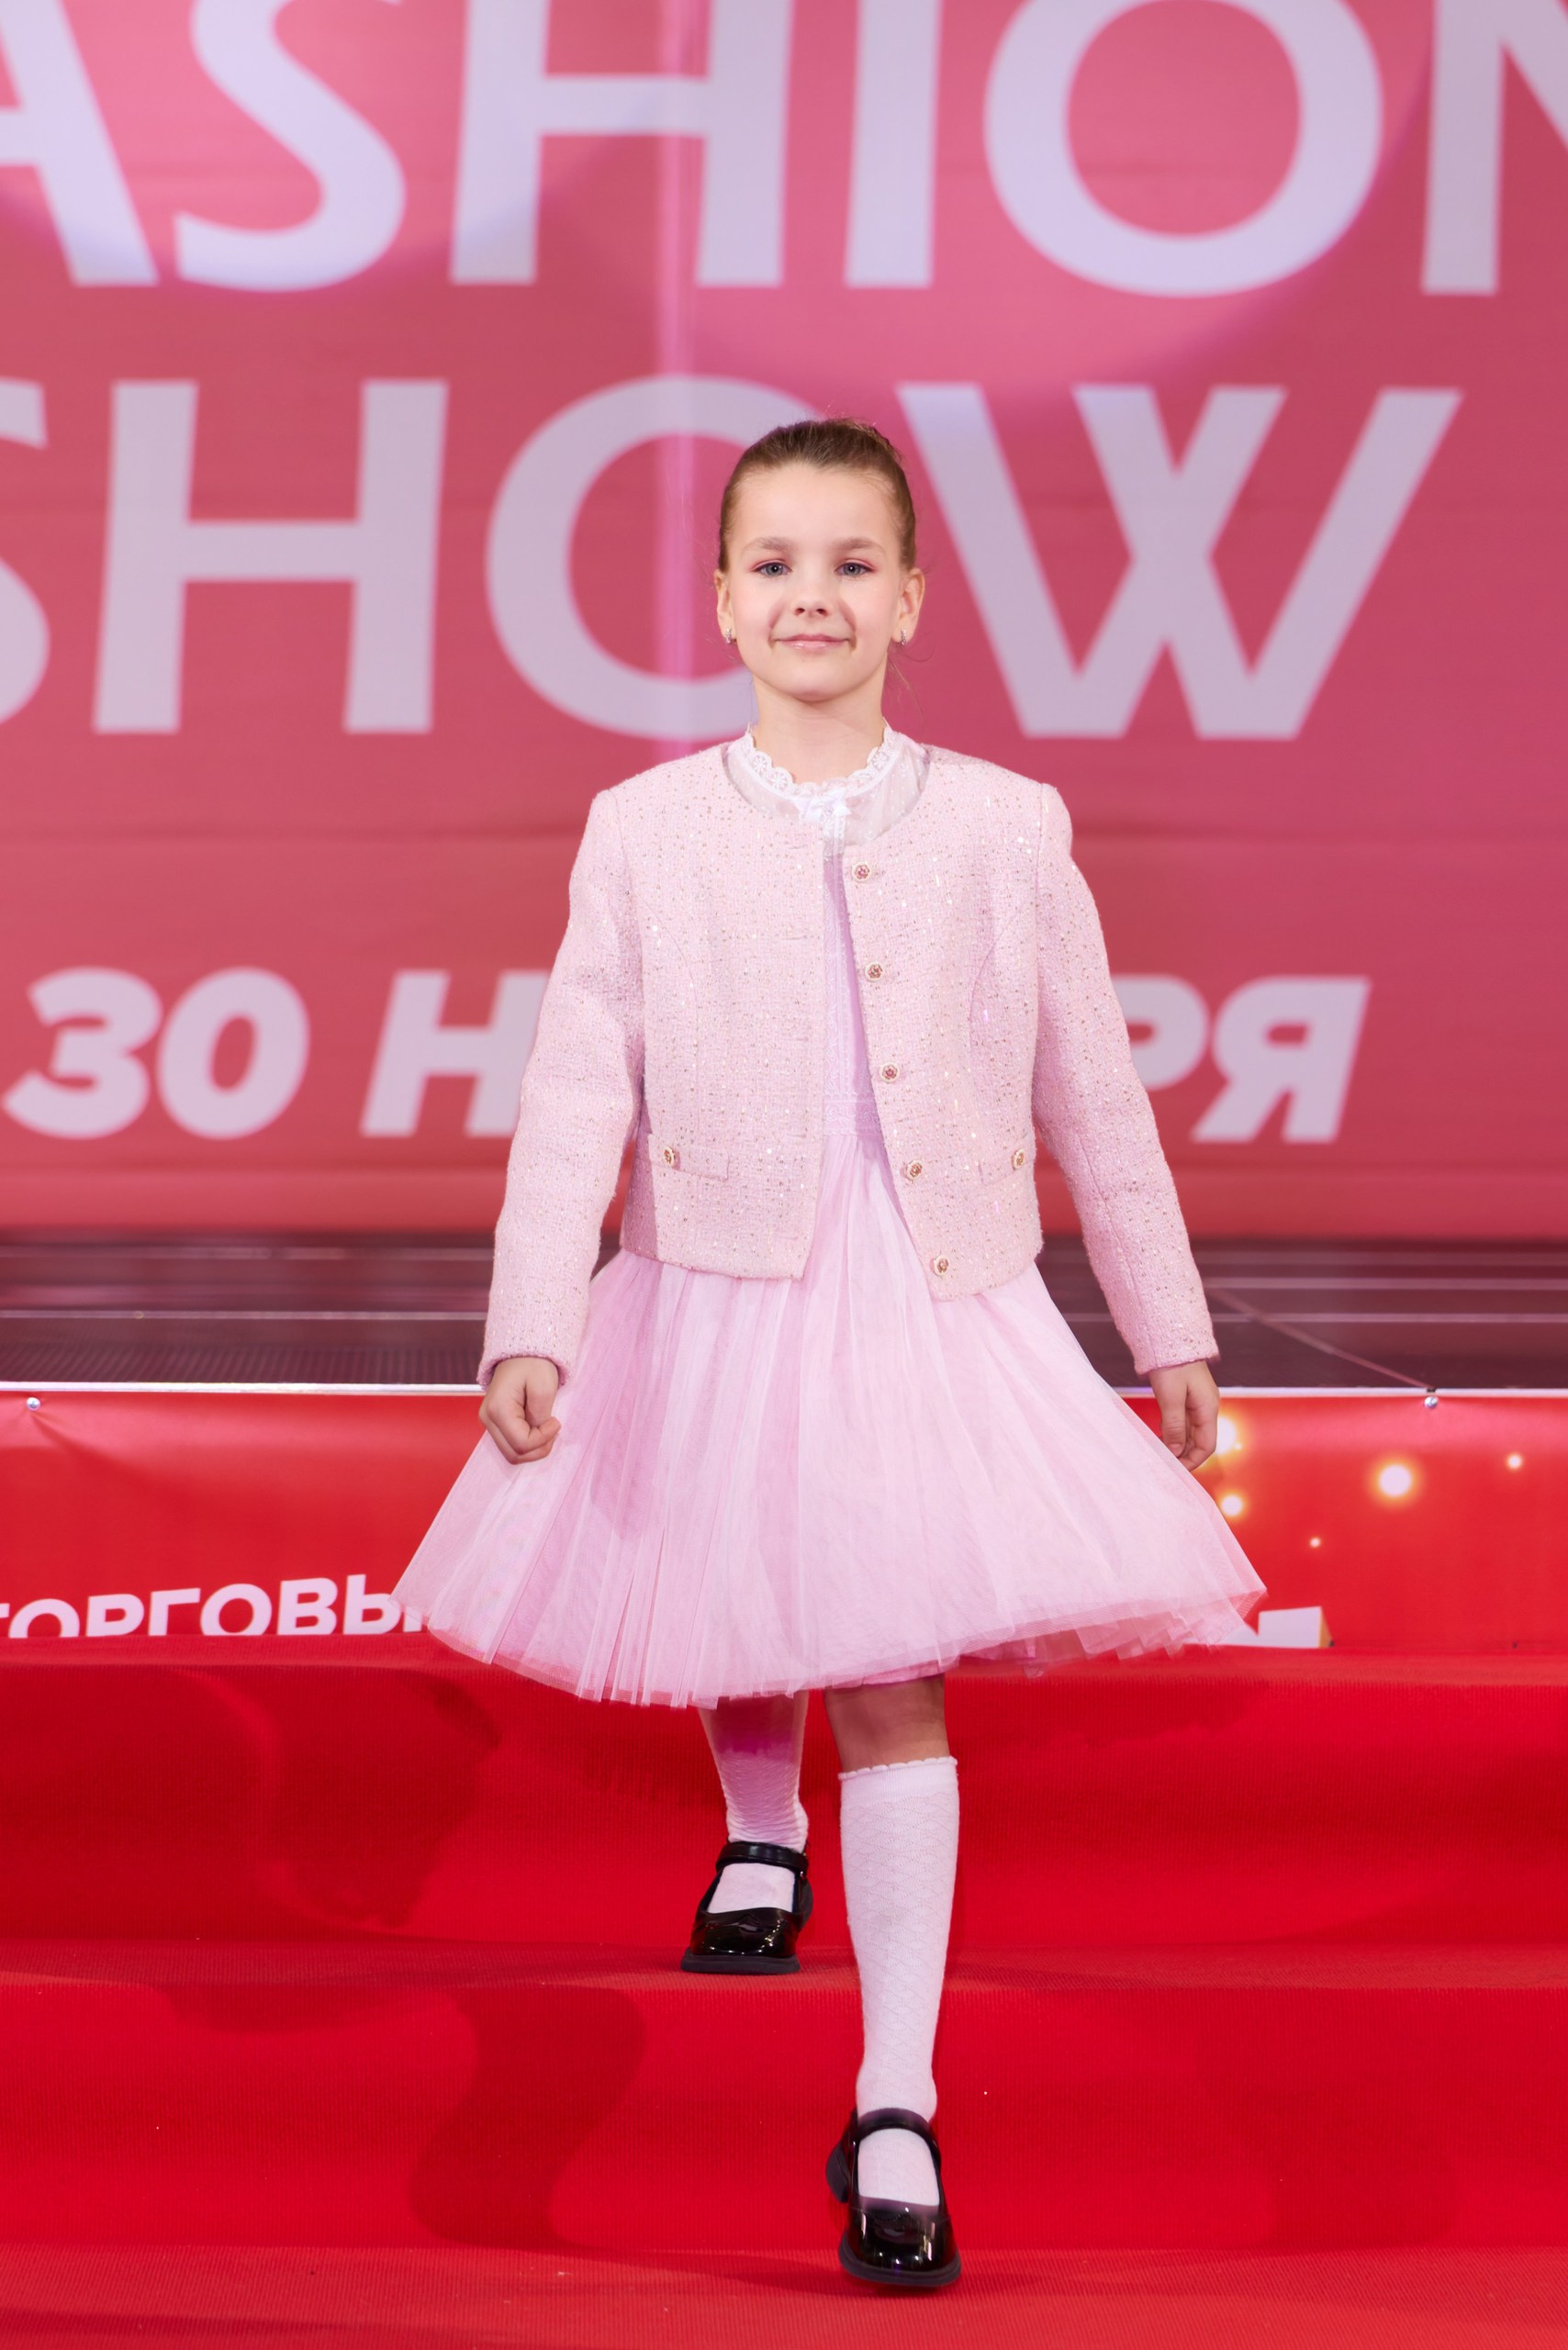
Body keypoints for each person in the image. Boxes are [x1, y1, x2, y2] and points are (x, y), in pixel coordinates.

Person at [395, 418, 1263, 2290]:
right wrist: (534, 1317)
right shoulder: (643, 828)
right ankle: (759, 1829)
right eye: (775, 564)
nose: (813, 596)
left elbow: (1091, 1091)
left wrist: (1167, 1320)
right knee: (734, 1588)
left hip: (930, 1292)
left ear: (912, 597)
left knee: (886, 1665)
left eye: (851, 563)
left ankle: (894, 2099)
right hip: (713, 1274)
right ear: (721, 602)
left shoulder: (1004, 824)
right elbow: (576, 1090)